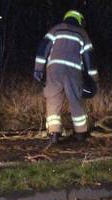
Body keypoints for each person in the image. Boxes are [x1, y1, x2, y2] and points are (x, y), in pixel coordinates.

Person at [34, 10, 99, 145]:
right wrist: (94, 79)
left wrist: (38, 69)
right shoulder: (82, 34)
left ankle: (54, 134)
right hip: (73, 71)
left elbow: (43, 49)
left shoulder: (55, 29)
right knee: (76, 100)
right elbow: (89, 59)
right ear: (80, 20)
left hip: (54, 70)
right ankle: (81, 133)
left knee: (53, 100)